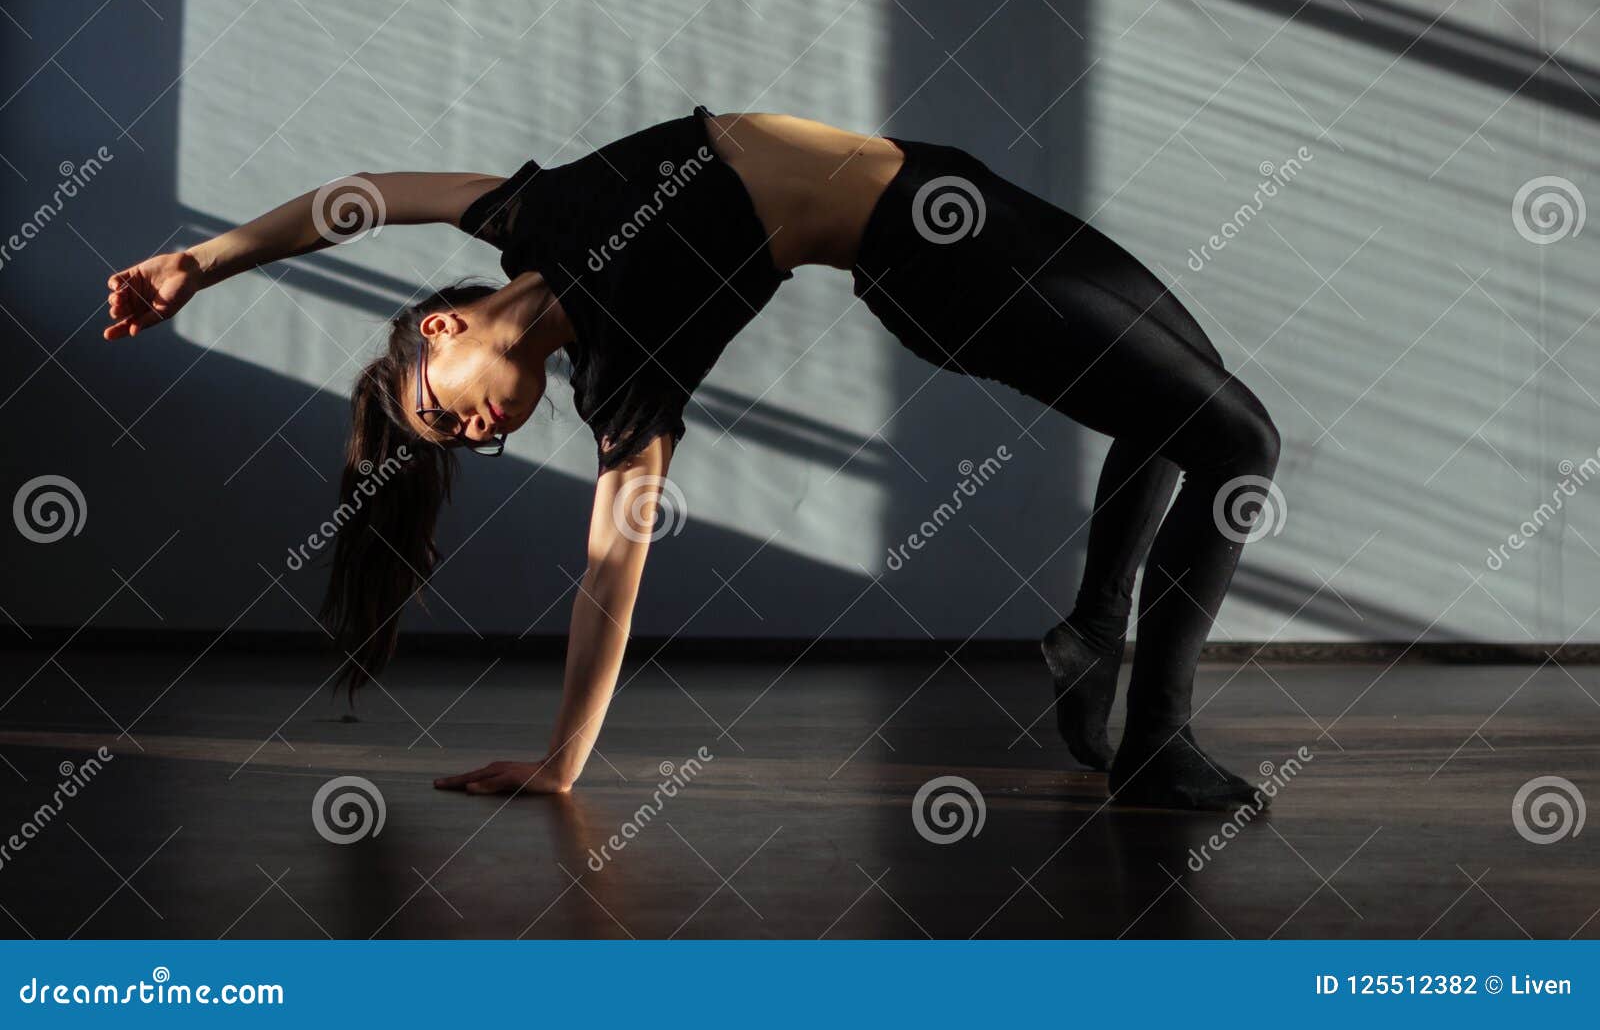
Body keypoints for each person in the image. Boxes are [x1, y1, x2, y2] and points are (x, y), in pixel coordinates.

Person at [103, 105, 1280, 812]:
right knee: (1236, 437)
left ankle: (1092, 633)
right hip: (941, 271)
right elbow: (608, 578)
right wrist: (563, 761)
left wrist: (201, 263)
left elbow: (355, 201)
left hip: (952, 184)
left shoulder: (529, 211)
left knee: (1190, 408)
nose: (470, 434)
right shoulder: (623, 381)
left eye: (438, 413)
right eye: (454, 443)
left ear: (442, 329)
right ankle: (1157, 741)